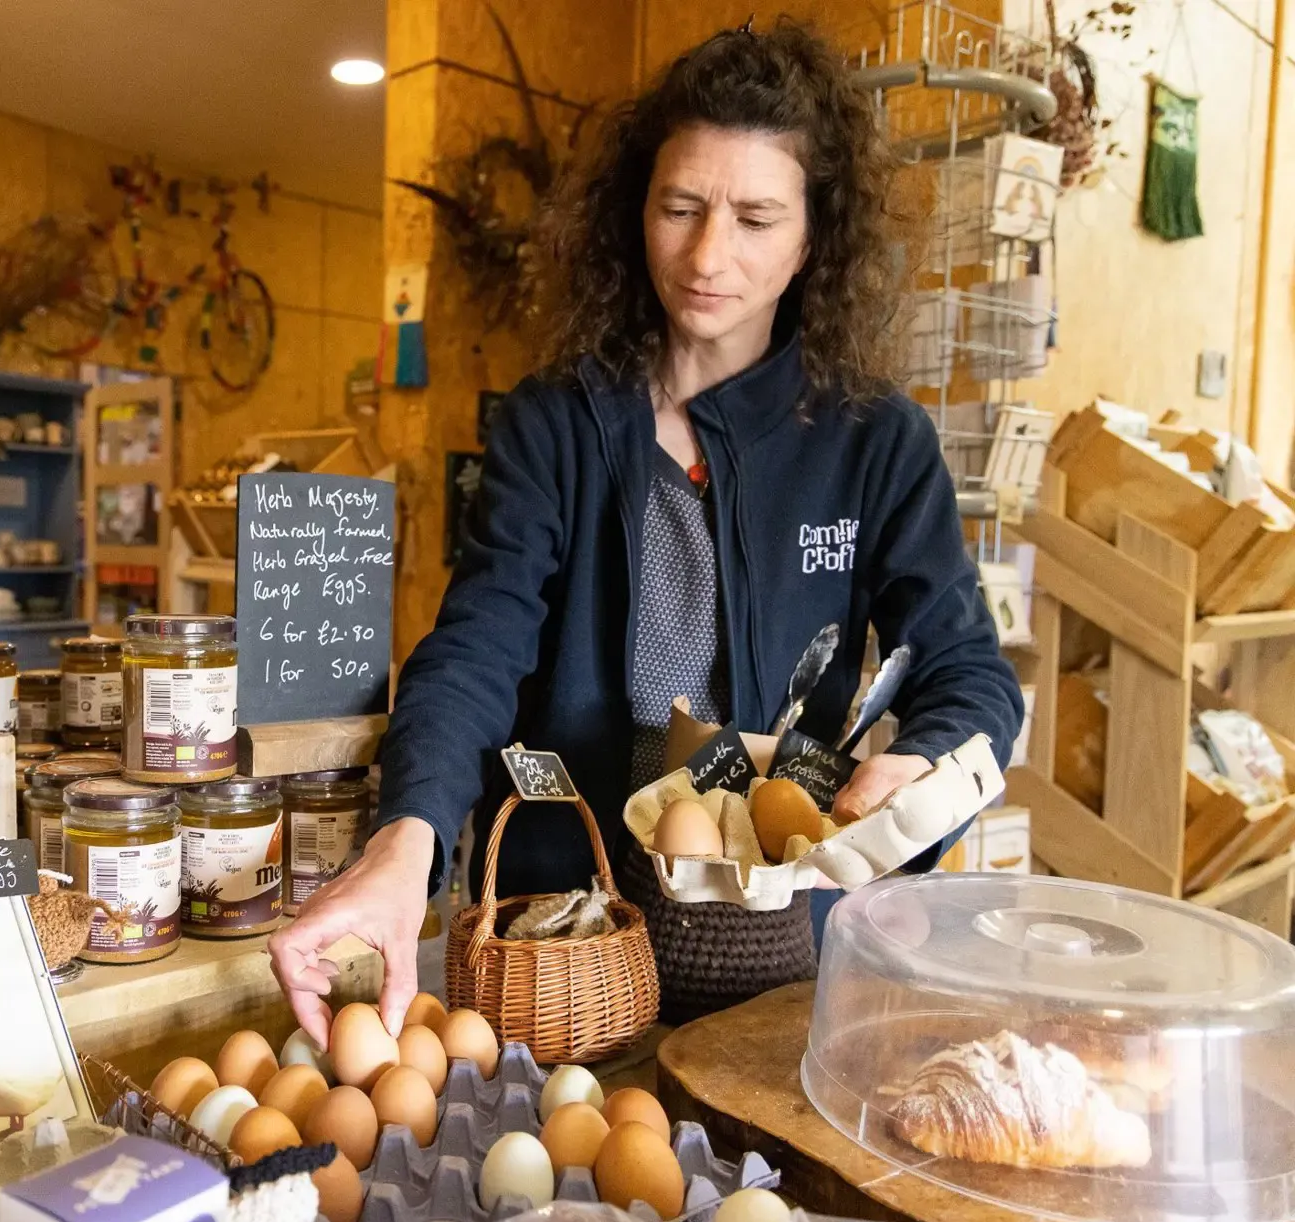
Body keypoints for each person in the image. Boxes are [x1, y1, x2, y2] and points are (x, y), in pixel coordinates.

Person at [270, 21, 1023, 1044]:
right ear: (637, 212)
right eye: (681, 208)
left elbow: (969, 672)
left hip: (769, 940)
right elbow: (478, 646)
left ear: (814, 237)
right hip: (562, 931)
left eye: (757, 218)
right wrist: (408, 839)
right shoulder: (555, 424)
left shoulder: (874, 442)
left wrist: (928, 760)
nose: (709, 255)